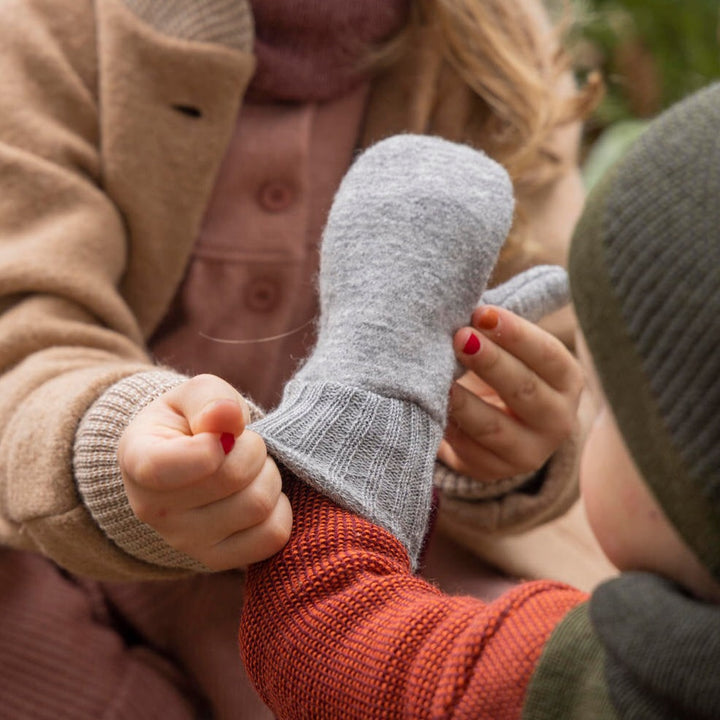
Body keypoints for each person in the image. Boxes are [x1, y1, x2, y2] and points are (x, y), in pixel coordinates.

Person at [0, 1, 598, 718]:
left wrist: (515, 447)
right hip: (73, 566)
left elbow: (565, 356)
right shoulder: (48, 27)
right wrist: (116, 447)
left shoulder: (500, 53)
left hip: (398, 566)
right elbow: (26, 330)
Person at [239, 83, 720, 718]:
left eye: (611, 406)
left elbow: (320, 633)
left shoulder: (625, 684)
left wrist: (368, 388)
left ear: (690, 473)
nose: (592, 419)